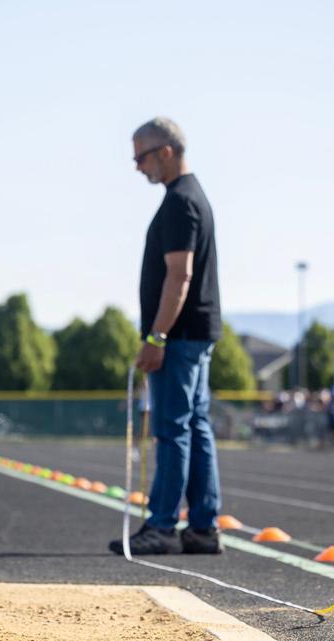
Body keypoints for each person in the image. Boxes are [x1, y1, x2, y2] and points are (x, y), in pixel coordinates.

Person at [109, 117, 223, 555]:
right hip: (197, 331)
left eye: (141, 156)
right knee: (195, 426)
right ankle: (202, 527)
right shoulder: (194, 197)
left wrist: (156, 337)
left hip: (179, 336)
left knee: (173, 429)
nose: (138, 166)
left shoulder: (180, 203)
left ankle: (160, 526)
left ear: (166, 151)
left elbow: (180, 275)